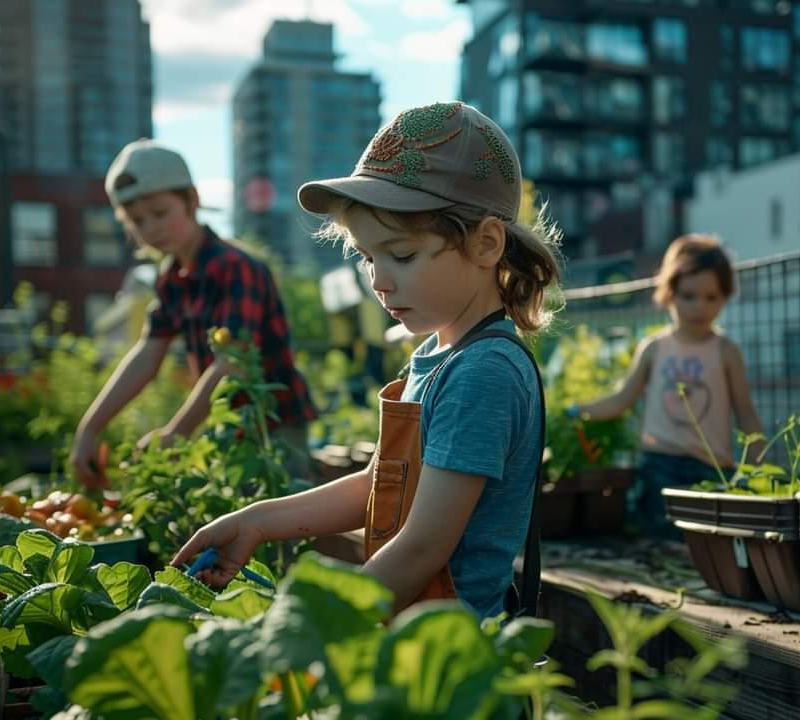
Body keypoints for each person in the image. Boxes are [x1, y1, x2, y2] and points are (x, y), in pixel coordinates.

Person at [172, 101, 562, 619]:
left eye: (401, 255)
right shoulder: (439, 355)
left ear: (487, 243)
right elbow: (380, 485)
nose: (378, 280)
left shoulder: (482, 372)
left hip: (449, 660)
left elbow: (423, 547)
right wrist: (259, 521)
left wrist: (320, 627)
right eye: (367, 257)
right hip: (409, 628)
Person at [70, 139, 317, 488]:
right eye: (137, 221)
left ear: (192, 201)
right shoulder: (170, 278)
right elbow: (146, 354)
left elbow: (232, 361)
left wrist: (177, 431)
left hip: (274, 422)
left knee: (282, 512)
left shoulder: (235, 267)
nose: (150, 228)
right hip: (227, 423)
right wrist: (90, 429)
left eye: (160, 213)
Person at [568, 234, 764, 539]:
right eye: (688, 296)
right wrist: (576, 411)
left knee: (706, 546)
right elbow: (622, 399)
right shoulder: (654, 348)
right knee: (661, 542)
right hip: (660, 465)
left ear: (725, 297)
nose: (700, 307)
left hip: (711, 468)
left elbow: (746, 414)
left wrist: (755, 470)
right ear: (669, 294)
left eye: (711, 297)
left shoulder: (727, 352)